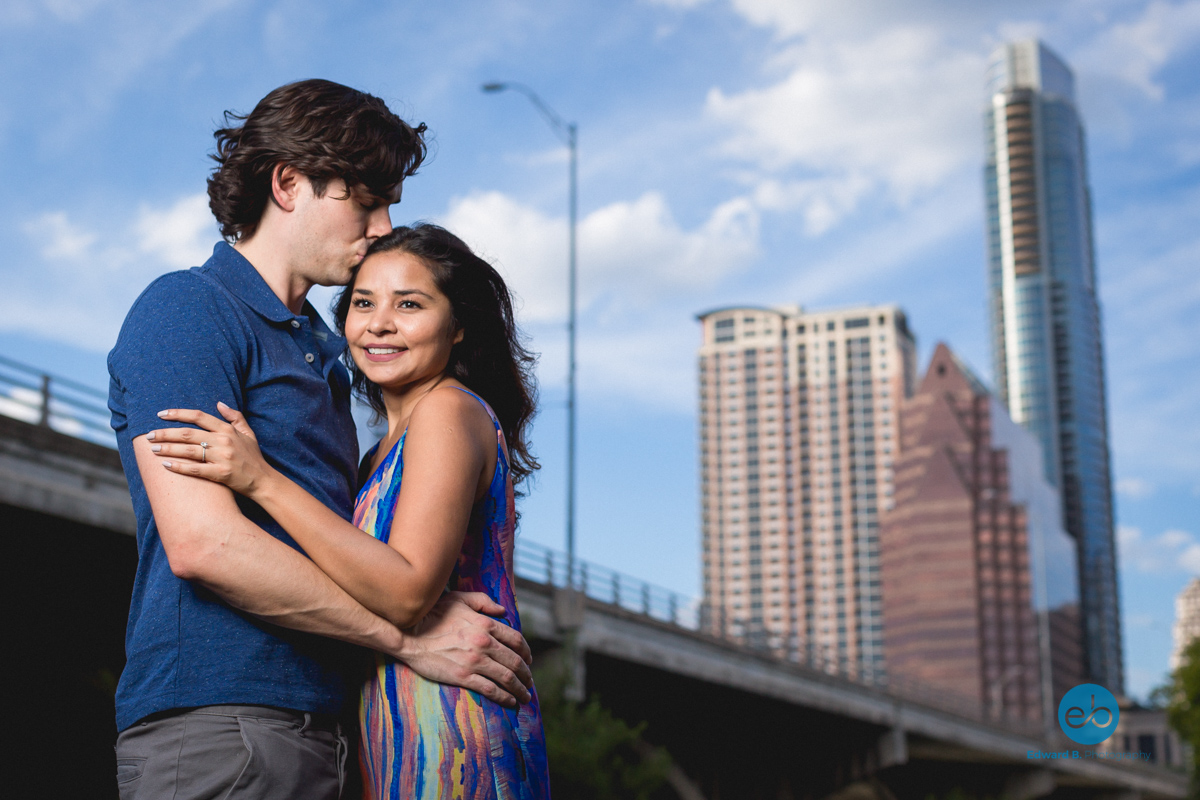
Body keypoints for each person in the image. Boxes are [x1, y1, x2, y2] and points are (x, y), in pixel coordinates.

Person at [108, 81, 534, 800]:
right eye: (366, 201)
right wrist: (409, 638)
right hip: (226, 725)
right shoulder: (188, 310)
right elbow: (203, 544)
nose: (382, 225)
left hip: (331, 731)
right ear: (289, 183)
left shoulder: (326, 362)